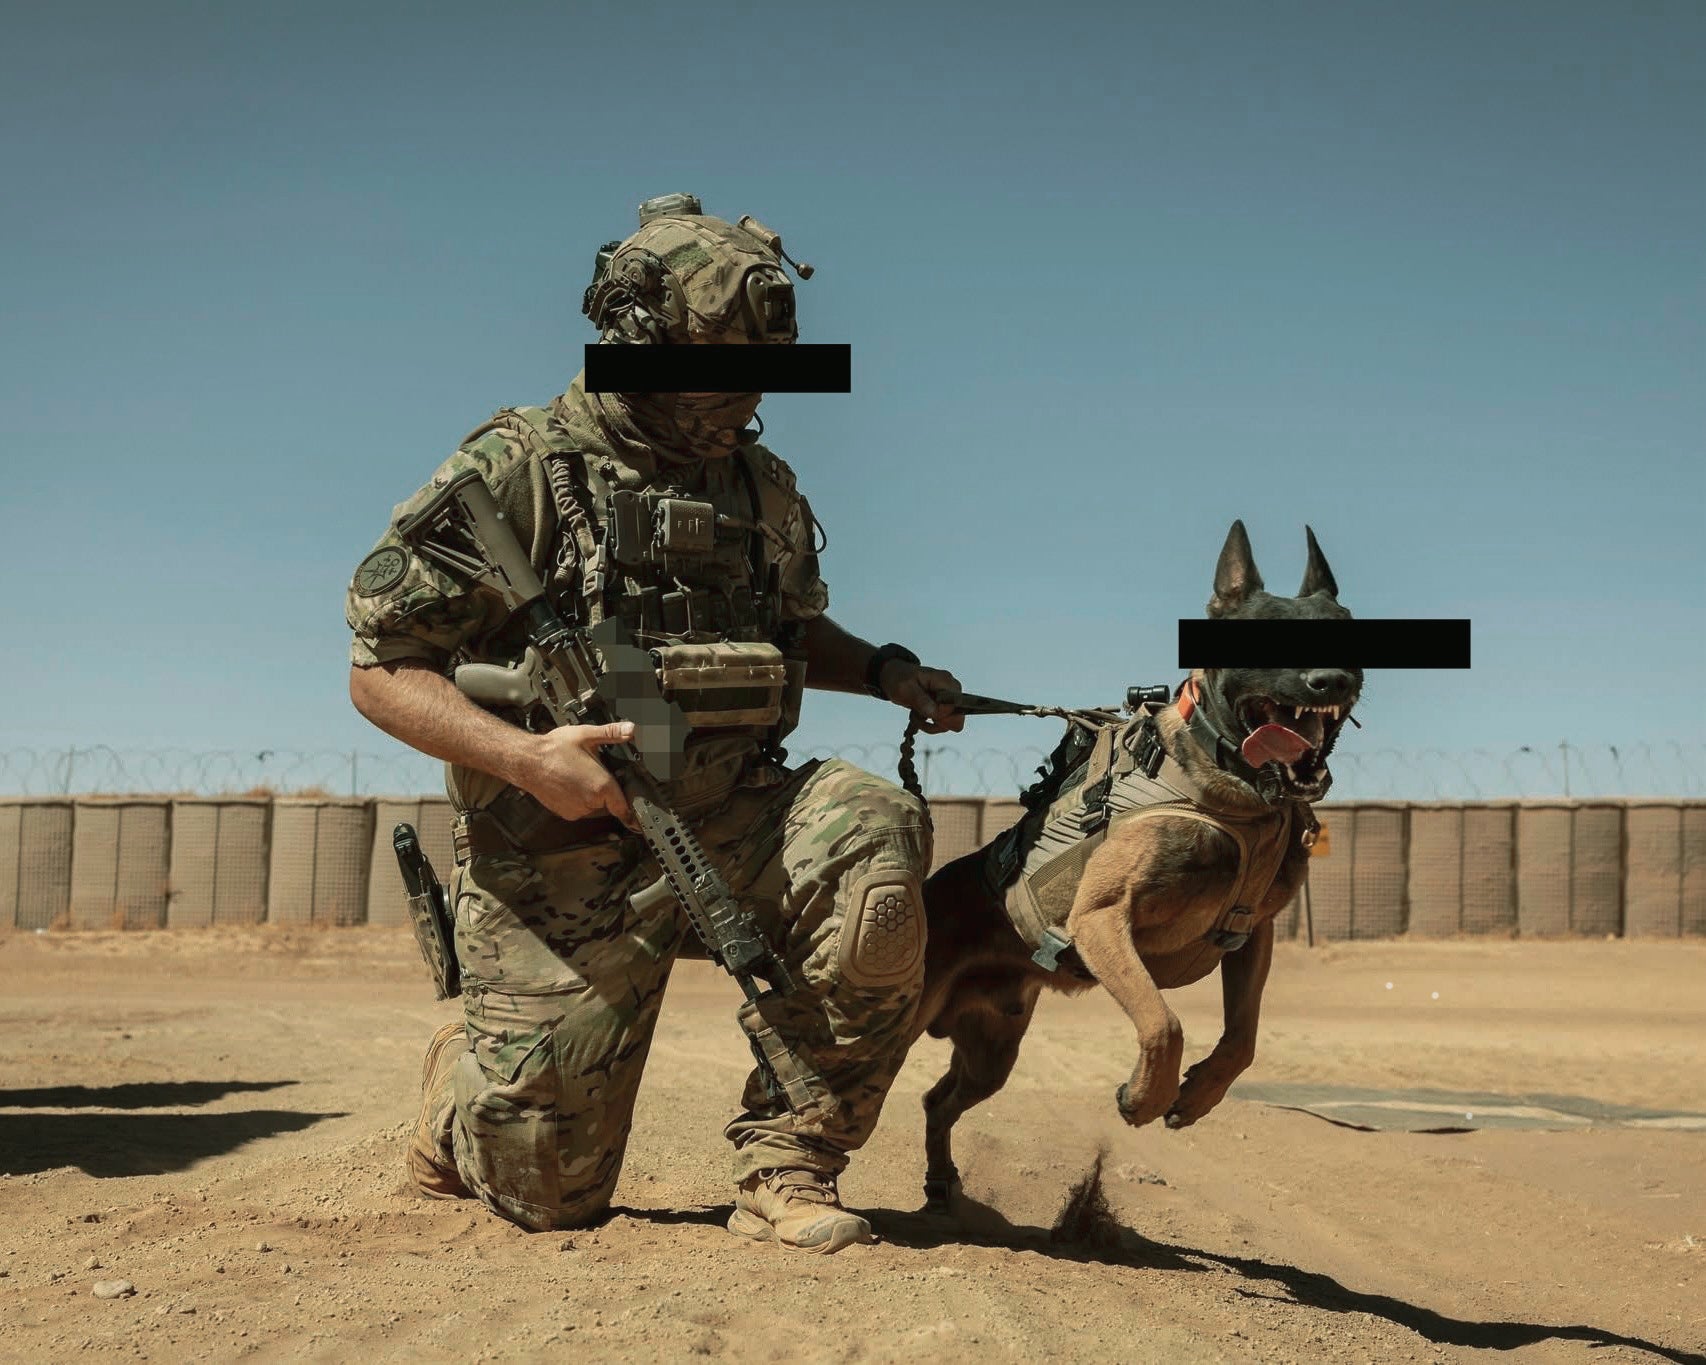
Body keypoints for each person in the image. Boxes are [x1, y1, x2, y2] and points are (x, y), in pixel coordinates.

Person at [345, 194, 963, 1255]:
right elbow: (382, 670)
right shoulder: (516, 467)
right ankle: (469, 1092)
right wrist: (525, 760)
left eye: (754, 375)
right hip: (561, 839)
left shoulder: (759, 483)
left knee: (872, 834)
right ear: (631, 341)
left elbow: (793, 632)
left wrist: (890, 672)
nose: (738, 401)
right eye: (711, 372)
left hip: (733, 806)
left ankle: (788, 1160)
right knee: (544, 1198)